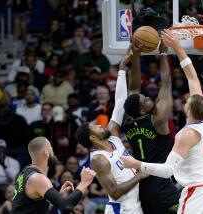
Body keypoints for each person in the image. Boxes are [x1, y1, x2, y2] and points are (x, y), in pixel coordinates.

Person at [121, 29, 203, 214]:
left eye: (187, 102)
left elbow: (168, 170)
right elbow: (192, 78)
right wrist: (176, 49)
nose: (186, 100)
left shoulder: (184, 134)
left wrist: (135, 164)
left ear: (188, 110)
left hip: (196, 195)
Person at [75, 48, 147, 214]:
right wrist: (141, 174)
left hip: (135, 204)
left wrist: (122, 68)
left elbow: (120, 102)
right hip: (120, 209)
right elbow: (114, 192)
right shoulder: (99, 160)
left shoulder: (113, 137)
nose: (101, 126)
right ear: (93, 137)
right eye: (96, 127)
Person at [122, 42, 179, 214]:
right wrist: (163, 55)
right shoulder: (159, 120)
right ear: (142, 110)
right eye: (145, 99)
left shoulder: (128, 121)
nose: (148, 97)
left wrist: (137, 56)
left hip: (143, 187)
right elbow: (167, 83)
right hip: (162, 185)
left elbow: (133, 87)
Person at [12, 137, 96, 214]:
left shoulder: (25, 173)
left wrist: (57, 197)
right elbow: (66, 207)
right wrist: (84, 182)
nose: (54, 152)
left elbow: (31, 207)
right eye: (51, 148)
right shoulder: (37, 178)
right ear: (46, 152)